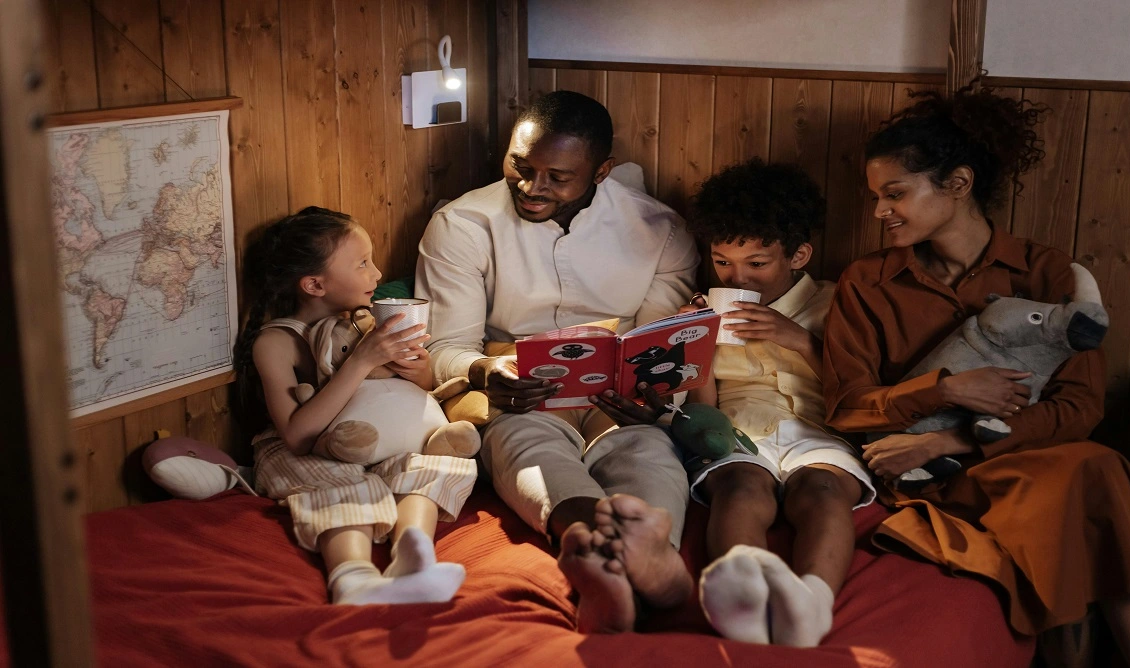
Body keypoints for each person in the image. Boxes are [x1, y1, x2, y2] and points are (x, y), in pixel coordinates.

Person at [821, 85, 1130, 666]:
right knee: (1087, 478)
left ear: (958, 184)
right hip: (925, 473)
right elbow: (847, 406)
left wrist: (954, 435)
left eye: (895, 194)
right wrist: (942, 393)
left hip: (1016, 454)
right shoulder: (867, 282)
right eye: (876, 197)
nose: (879, 211)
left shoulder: (1045, 271)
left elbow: (1080, 407)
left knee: (1092, 466)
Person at [415, 90, 699, 633]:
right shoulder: (462, 225)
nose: (531, 187)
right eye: (520, 166)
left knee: (648, 447)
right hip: (515, 383)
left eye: (557, 177)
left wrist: (659, 392)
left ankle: (647, 554)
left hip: (616, 388)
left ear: (602, 171)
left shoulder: (660, 230)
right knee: (526, 444)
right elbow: (443, 347)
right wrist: (483, 372)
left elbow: (661, 343)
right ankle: (588, 543)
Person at [600, 159, 875, 647]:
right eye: (723, 262)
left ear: (799, 255)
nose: (738, 277)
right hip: (737, 427)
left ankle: (812, 605)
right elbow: (705, 408)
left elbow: (863, 391)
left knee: (823, 492)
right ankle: (743, 598)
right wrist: (694, 349)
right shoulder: (704, 307)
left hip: (821, 430)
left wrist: (801, 341)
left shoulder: (835, 303)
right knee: (742, 486)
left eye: (757, 263)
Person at [234, 206, 477, 605]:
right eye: (363, 263)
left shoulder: (366, 321)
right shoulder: (276, 342)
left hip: (377, 443)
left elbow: (420, 389)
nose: (377, 274)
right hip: (309, 452)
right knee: (342, 482)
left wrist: (417, 368)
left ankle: (411, 559)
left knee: (436, 464)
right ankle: (354, 577)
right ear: (314, 284)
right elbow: (296, 436)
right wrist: (362, 360)